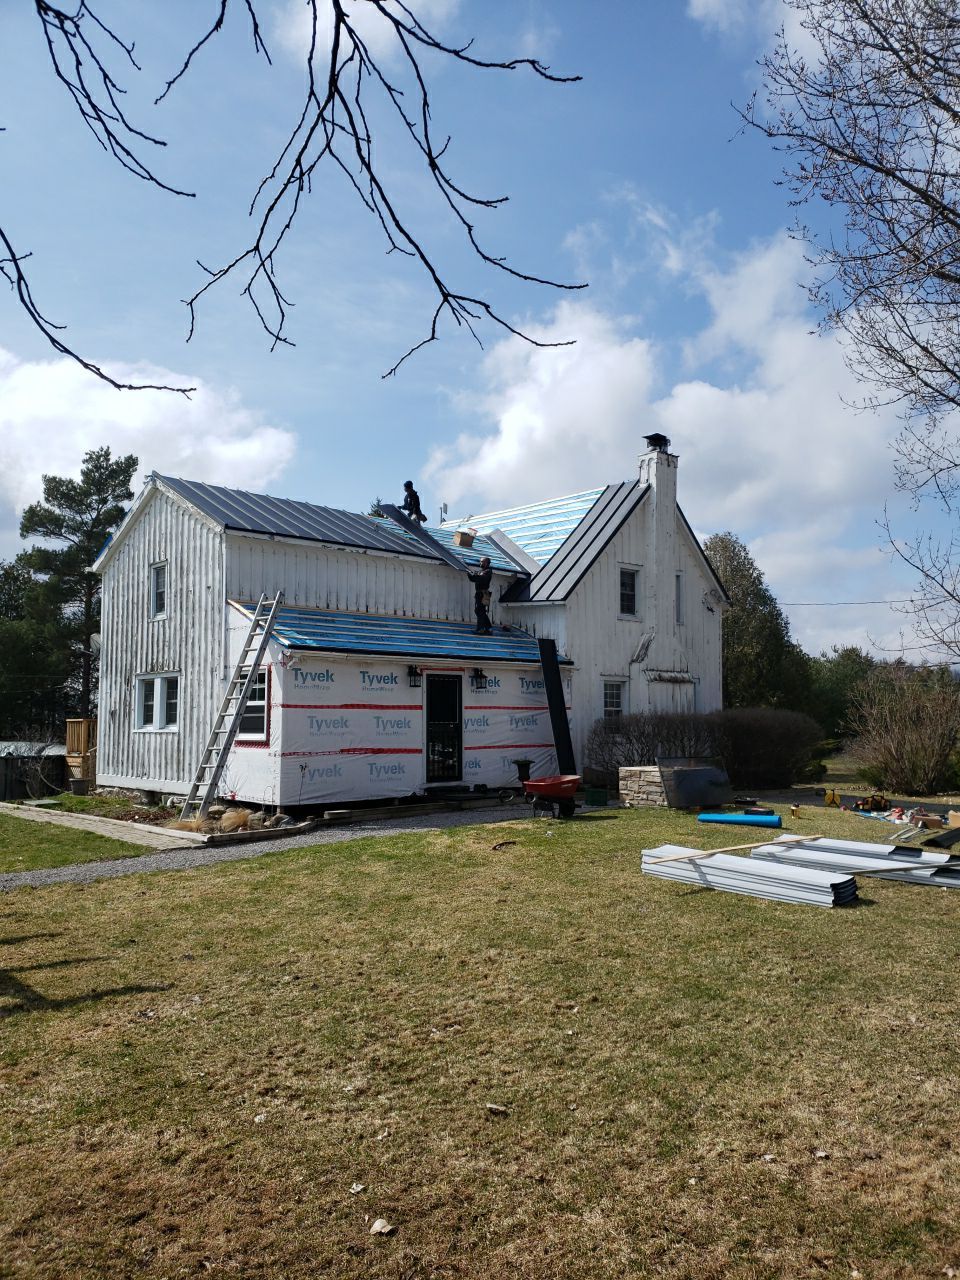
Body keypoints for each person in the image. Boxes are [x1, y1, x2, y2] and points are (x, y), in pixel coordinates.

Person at [468, 555, 493, 633]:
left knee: (479, 610)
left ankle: (481, 629)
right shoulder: (480, 572)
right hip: (479, 593)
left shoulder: (488, 571)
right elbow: (474, 579)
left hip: (483, 594)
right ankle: (488, 627)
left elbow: (481, 578)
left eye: (482, 561)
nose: (480, 563)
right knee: (479, 610)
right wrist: (469, 574)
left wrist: (475, 575)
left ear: (486, 563)